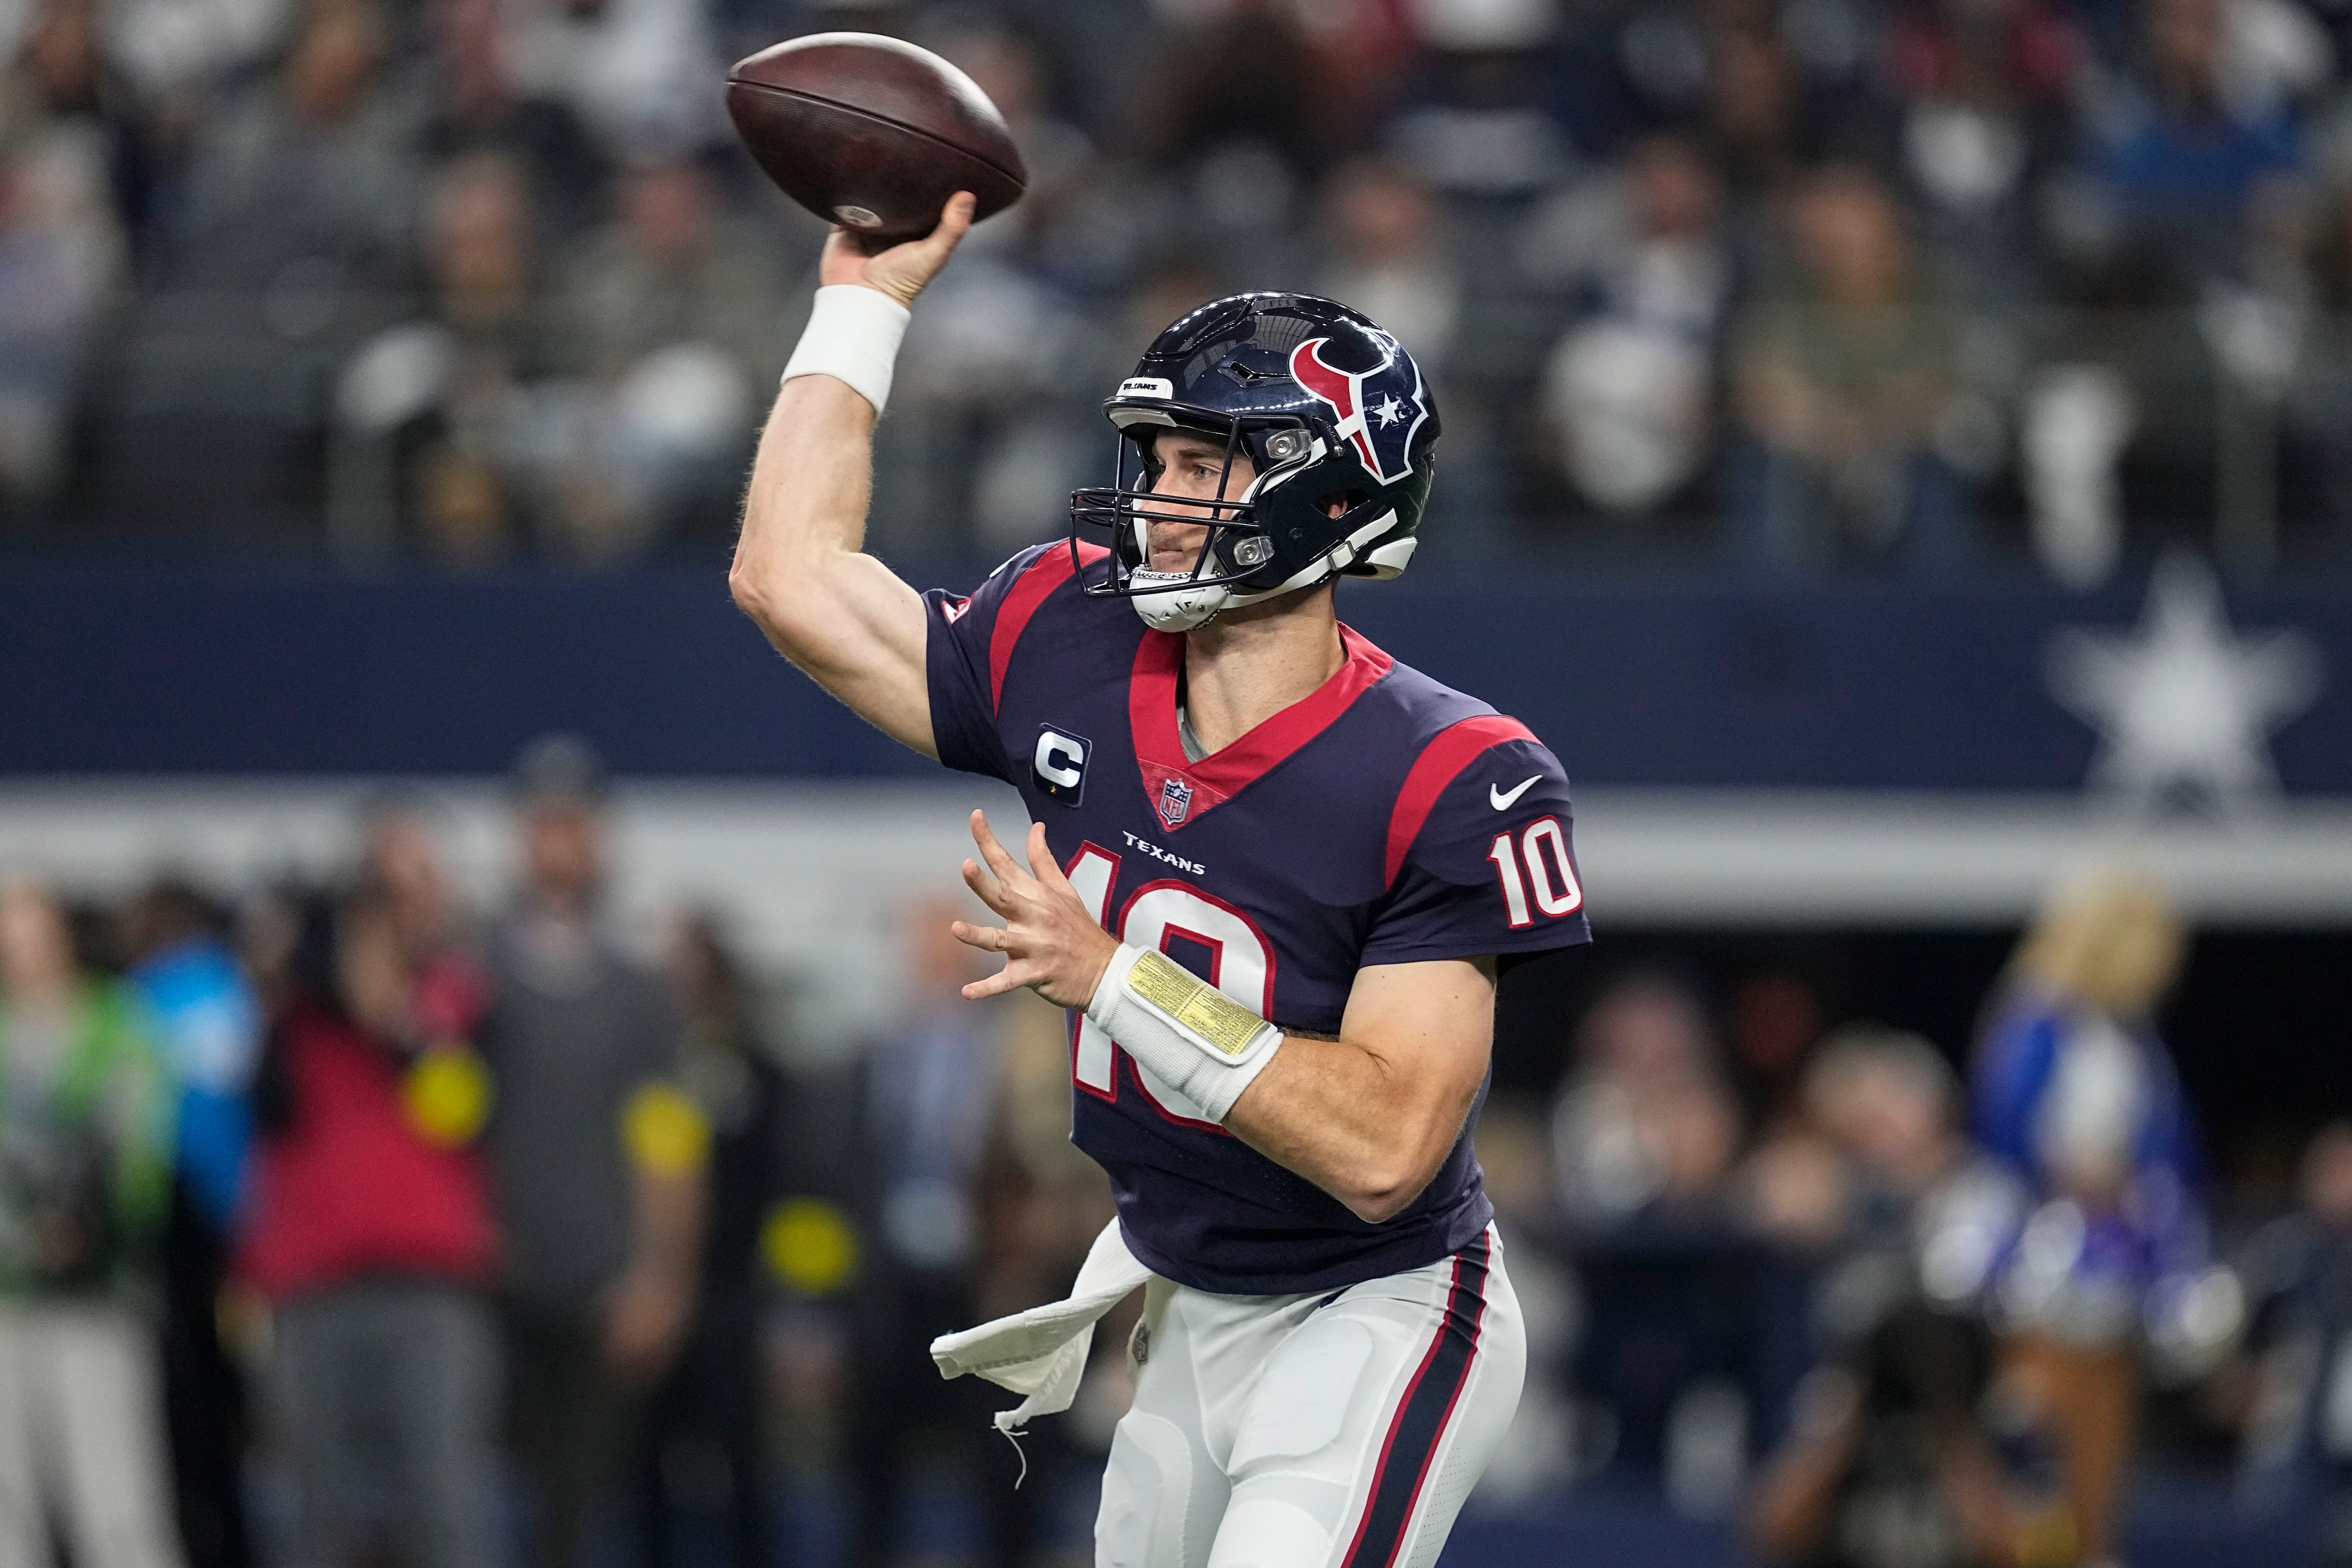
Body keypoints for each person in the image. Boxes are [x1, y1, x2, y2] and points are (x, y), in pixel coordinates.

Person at [728, 194, 1592, 1567]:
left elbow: (1384, 1150)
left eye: (1207, 465)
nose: (1161, 496)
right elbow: (792, 577)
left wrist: (1117, 976)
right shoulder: (1067, 634)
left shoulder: (1451, 770)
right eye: (1159, 457)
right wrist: (863, 301)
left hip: (1376, 1301)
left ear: (1335, 484)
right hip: (1178, 1294)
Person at [482, 735, 706, 1568]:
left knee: (578, 1512)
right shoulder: (476, 978)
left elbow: (669, 1142)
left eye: (574, 826)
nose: (559, 845)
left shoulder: (641, 992)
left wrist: (662, 1277)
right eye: (544, 826)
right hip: (491, 1282)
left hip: (601, 1287)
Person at [238, 885, 502, 1568]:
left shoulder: (443, 1021)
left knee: (443, 1493)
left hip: (429, 1290)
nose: (369, 964)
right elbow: (263, 1111)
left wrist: (401, 1027)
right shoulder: (294, 1031)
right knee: (312, 1499)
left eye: (384, 949)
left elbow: (462, 1118)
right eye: (355, 948)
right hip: (313, 1289)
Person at [0, 877, 182, 1568]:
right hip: (6, 1299)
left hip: (95, 1298)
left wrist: (92, 1221)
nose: (20, 949)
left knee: (118, 1508)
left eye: (32, 929)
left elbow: (143, 1152)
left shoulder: (118, 1025)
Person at [121, 880, 263, 1568]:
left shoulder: (142, 998)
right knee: (233, 1413)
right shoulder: (240, 989)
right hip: (246, 1225)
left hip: (180, 1224)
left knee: (184, 1409)